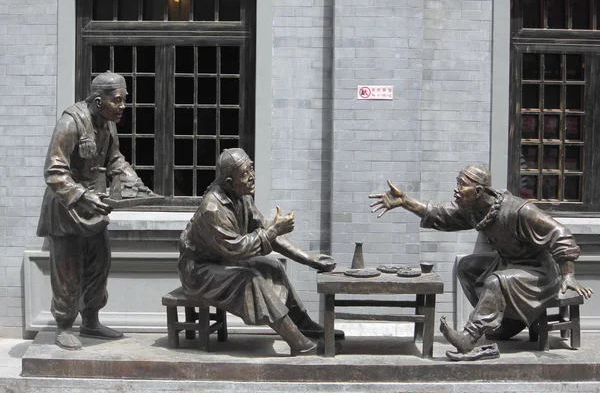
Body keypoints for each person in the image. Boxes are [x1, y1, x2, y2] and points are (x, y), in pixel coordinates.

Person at [369, 165, 593, 358]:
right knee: (467, 267)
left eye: (461, 185)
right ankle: (502, 322)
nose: (456, 189)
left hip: (540, 273)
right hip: (510, 264)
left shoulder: (519, 210)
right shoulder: (475, 210)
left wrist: (569, 274)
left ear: (478, 191)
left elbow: (561, 233)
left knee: (495, 281)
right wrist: (404, 201)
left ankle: (469, 337)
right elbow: (442, 214)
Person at [178, 148, 343, 356]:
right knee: (251, 279)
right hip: (198, 272)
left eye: (252, 168)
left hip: (219, 261)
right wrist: (273, 230)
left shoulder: (242, 196)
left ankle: (304, 325)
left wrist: (310, 260)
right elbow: (237, 249)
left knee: (272, 265)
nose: (252, 177)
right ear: (229, 182)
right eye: (245, 173)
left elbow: (268, 233)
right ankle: (299, 343)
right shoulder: (212, 209)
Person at [37, 71, 149, 350]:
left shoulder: (108, 124)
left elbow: (115, 160)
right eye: (118, 100)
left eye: (124, 100)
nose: (123, 106)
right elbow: (54, 172)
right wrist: (82, 196)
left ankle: (91, 320)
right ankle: (64, 325)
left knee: (99, 265)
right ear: (99, 102)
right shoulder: (69, 124)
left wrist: (135, 182)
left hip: (94, 209)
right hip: (66, 208)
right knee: (68, 271)